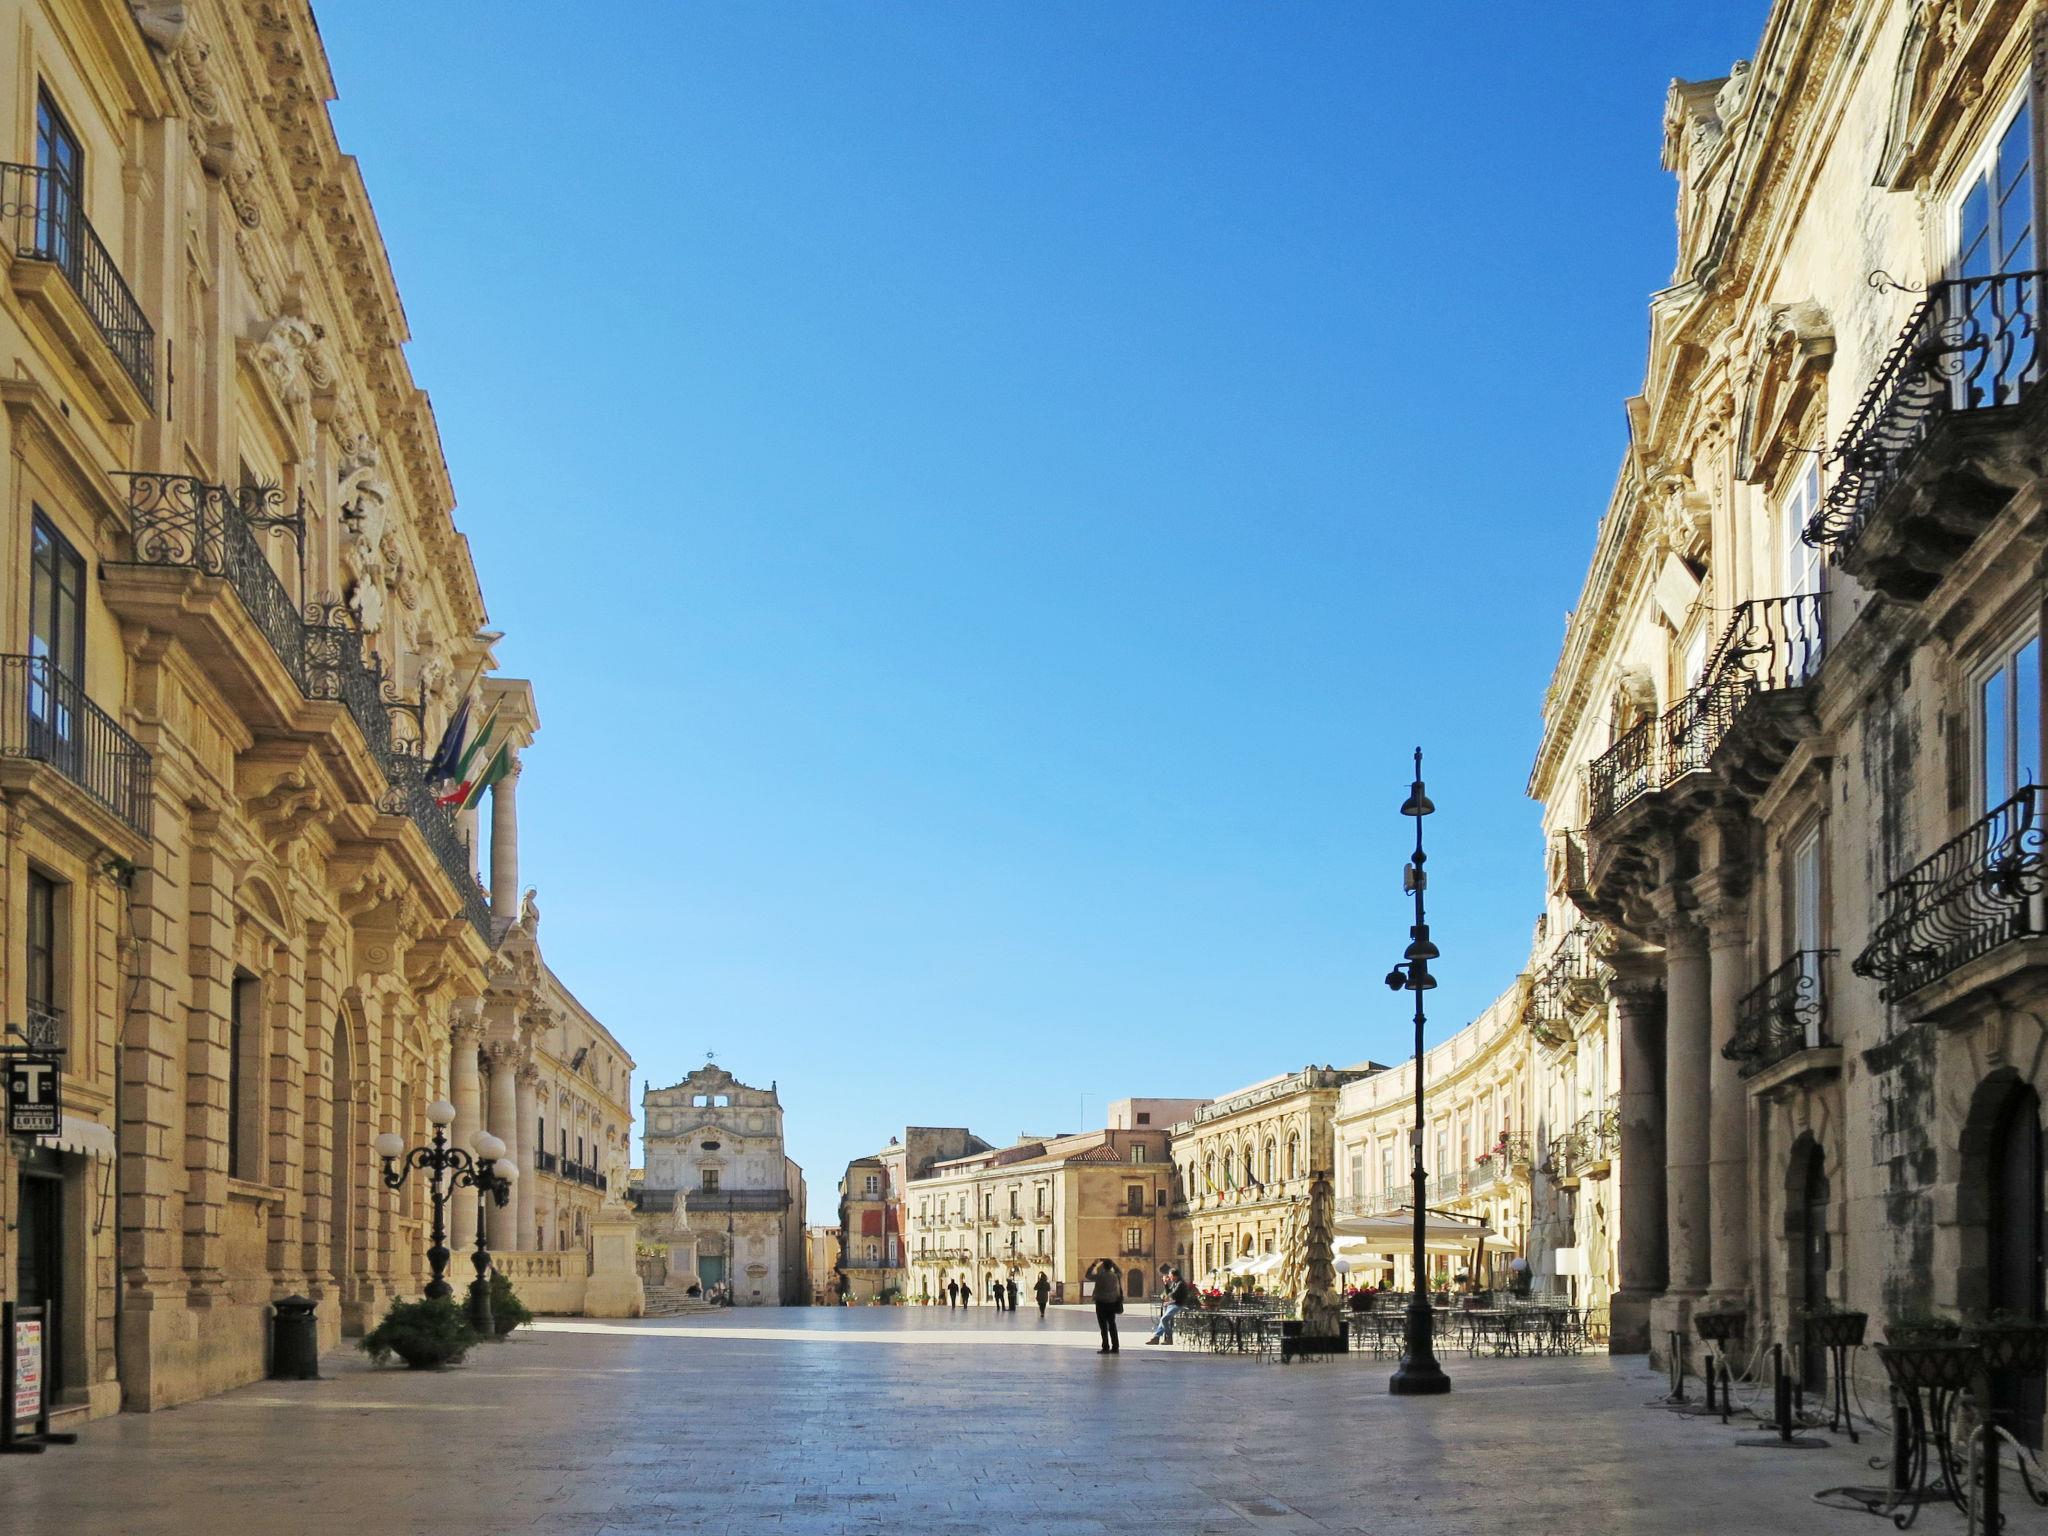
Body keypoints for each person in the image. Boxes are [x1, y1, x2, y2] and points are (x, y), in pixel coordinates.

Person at [1145, 1267, 1193, 1346]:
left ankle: (1169, 1338)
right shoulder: (1175, 1283)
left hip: (1179, 1305)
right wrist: (1166, 1284)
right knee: (1163, 1319)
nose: (1169, 1277)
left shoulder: (1180, 1283)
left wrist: (1168, 1298)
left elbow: (1173, 1294)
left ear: (1174, 1276)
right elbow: (1169, 1292)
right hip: (1173, 1304)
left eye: (1170, 1275)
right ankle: (1156, 1338)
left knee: (1164, 1319)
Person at [1086, 1258, 1124, 1354]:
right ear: (1111, 1267)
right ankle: (1115, 1347)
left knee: (1103, 1327)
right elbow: (1120, 1272)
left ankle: (1105, 1347)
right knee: (1112, 1325)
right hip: (1112, 1302)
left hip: (1101, 1303)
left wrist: (1094, 1264)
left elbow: (1088, 1275)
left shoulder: (1099, 1276)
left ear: (1103, 1266)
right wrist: (1113, 1263)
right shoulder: (1116, 1276)